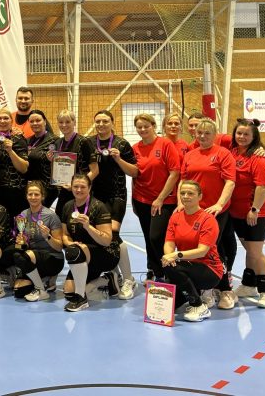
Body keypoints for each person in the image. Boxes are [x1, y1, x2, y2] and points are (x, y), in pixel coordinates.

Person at [181, 118, 237, 309]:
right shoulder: (190, 155)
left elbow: (230, 181)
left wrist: (219, 204)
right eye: (199, 133)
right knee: (197, 248)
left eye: (207, 133)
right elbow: (184, 181)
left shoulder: (223, 154)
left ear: (214, 135)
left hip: (215, 211)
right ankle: (206, 288)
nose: (203, 136)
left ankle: (225, 289)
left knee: (213, 249)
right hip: (194, 210)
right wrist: (181, 203)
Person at [90, 110, 138, 300]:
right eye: (98, 121)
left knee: (113, 235)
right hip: (95, 197)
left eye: (105, 121)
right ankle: (114, 274)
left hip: (116, 196)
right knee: (100, 236)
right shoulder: (89, 143)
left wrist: (119, 159)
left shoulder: (121, 143)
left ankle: (128, 279)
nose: (101, 124)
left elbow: (134, 172)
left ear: (112, 122)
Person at [161, 180, 224, 322]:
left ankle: (198, 306)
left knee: (173, 268)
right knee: (168, 306)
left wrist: (175, 255)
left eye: (190, 193)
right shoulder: (176, 217)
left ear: (200, 196)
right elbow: (169, 242)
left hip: (209, 269)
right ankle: (194, 294)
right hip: (187, 265)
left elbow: (202, 251)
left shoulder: (208, 219)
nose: (185, 196)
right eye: (182, 193)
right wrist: (168, 256)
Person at [229, 119, 265, 308]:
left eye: (246, 134)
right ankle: (248, 285)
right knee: (249, 250)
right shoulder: (232, 151)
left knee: (256, 252)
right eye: (239, 133)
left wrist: (254, 209)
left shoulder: (258, 158)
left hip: (255, 212)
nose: (242, 137)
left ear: (254, 137)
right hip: (237, 212)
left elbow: (262, 187)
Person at [131, 114, 180, 282]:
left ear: (154, 126)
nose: (143, 129)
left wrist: (160, 198)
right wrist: (134, 200)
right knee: (148, 237)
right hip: (141, 200)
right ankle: (155, 271)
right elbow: (135, 175)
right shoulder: (135, 148)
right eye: (139, 127)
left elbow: (174, 173)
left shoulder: (165, 144)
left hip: (163, 201)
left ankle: (168, 269)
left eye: (146, 126)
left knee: (156, 237)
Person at [60, 174, 119, 312]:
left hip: (105, 253)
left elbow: (106, 240)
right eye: (75, 186)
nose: (78, 190)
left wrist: (88, 227)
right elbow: (65, 235)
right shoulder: (68, 206)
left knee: (75, 253)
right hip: (80, 255)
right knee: (69, 292)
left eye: (83, 187)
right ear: (71, 187)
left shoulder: (99, 207)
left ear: (90, 188)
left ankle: (81, 299)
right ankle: (107, 279)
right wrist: (71, 244)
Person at [11, 181, 64, 301]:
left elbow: (60, 247)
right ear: (26, 196)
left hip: (53, 259)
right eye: (30, 194)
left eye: (36, 194)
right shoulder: (24, 214)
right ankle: (46, 279)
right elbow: (25, 241)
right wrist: (22, 241)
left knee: (20, 256)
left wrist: (48, 237)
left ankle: (41, 289)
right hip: (32, 259)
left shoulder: (51, 216)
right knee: (19, 291)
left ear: (42, 196)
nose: (33, 197)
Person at [47, 109, 98, 215]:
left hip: (80, 192)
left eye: (67, 122)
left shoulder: (84, 142)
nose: (64, 125)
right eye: (61, 122)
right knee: (60, 219)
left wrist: (77, 186)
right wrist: (52, 160)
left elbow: (95, 171)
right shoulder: (58, 142)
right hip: (64, 191)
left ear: (74, 122)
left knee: (78, 222)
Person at [0, 108, 28, 225]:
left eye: (6, 118)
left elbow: (23, 168)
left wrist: (10, 151)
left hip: (14, 190)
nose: (2, 121)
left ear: (11, 121)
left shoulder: (18, 139)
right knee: (0, 223)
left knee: (17, 226)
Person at [25, 109, 55, 196]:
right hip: (31, 187)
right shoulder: (27, 141)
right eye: (32, 121)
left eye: (38, 120)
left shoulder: (54, 140)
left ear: (45, 121)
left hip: (46, 188)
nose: (35, 123)